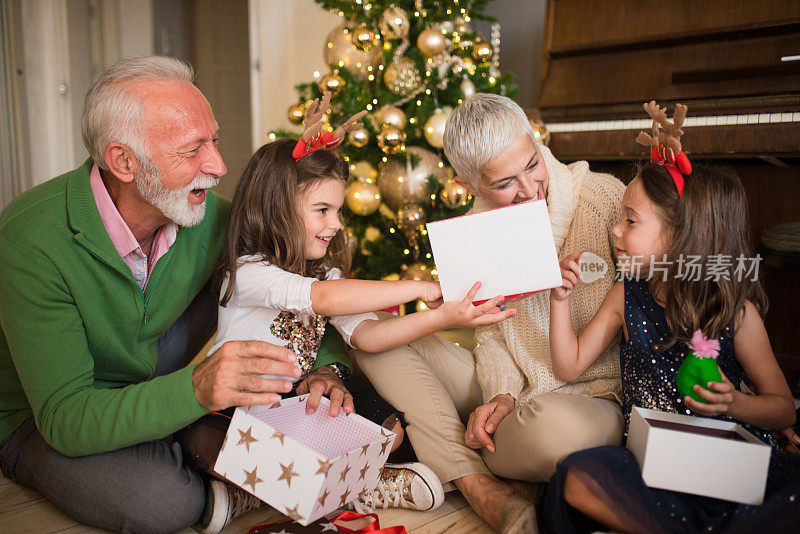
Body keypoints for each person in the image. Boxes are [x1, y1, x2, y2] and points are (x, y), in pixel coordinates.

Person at [0, 56, 350, 533]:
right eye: (192, 151)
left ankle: (205, 447)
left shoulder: (210, 218)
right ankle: (207, 450)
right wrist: (196, 390)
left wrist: (324, 366)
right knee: (161, 503)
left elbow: (298, 285)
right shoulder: (30, 238)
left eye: (215, 141)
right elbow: (65, 415)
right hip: (46, 416)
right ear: (123, 161)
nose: (220, 166)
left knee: (246, 274)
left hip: (149, 376)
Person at [179, 104, 516, 523]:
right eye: (323, 210)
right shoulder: (246, 272)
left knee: (391, 430)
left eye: (338, 211)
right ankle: (349, 485)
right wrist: (419, 287)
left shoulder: (328, 272)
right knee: (203, 438)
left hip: (298, 400)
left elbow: (368, 337)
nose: (336, 223)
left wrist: (443, 317)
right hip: (245, 405)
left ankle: (289, 487)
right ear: (276, 209)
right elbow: (320, 299)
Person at [352, 93, 626, 532]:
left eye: (532, 164)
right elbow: (493, 336)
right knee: (377, 336)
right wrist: (501, 396)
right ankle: (480, 481)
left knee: (555, 433)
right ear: (468, 185)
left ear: (535, 142)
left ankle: (451, 448)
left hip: (587, 399)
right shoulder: (475, 233)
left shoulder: (604, 198)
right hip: (510, 395)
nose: (530, 188)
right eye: (504, 184)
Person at [544, 160, 800, 533]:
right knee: (576, 477)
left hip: (729, 470)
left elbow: (783, 411)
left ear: (682, 235)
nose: (615, 228)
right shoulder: (625, 295)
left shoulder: (735, 313)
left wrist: (735, 402)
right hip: (653, 470)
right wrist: (560, 300)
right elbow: (569, 367)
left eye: (631, 221)